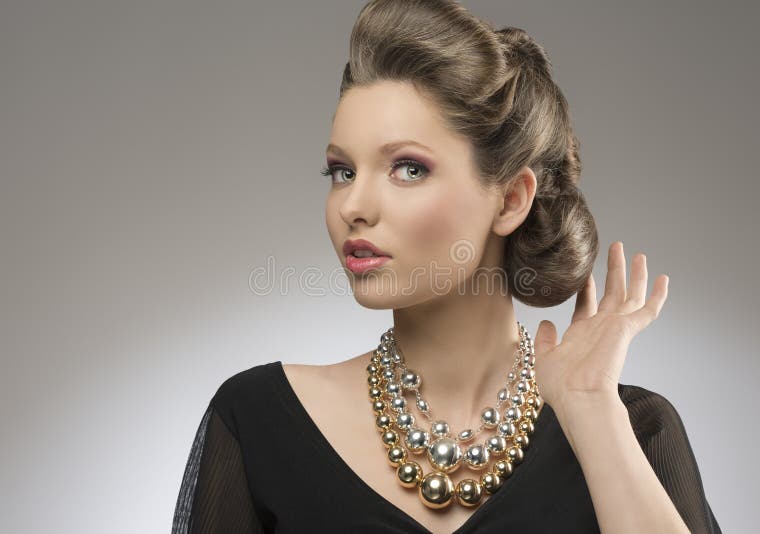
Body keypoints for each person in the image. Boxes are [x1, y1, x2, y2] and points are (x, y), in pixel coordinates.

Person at [172, 1, 721, 532]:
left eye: (407, 168)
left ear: (510, 200)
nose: (352, 206)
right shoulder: (258, 424)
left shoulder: (634, 427)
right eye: (341, 171)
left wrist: (590, 413)